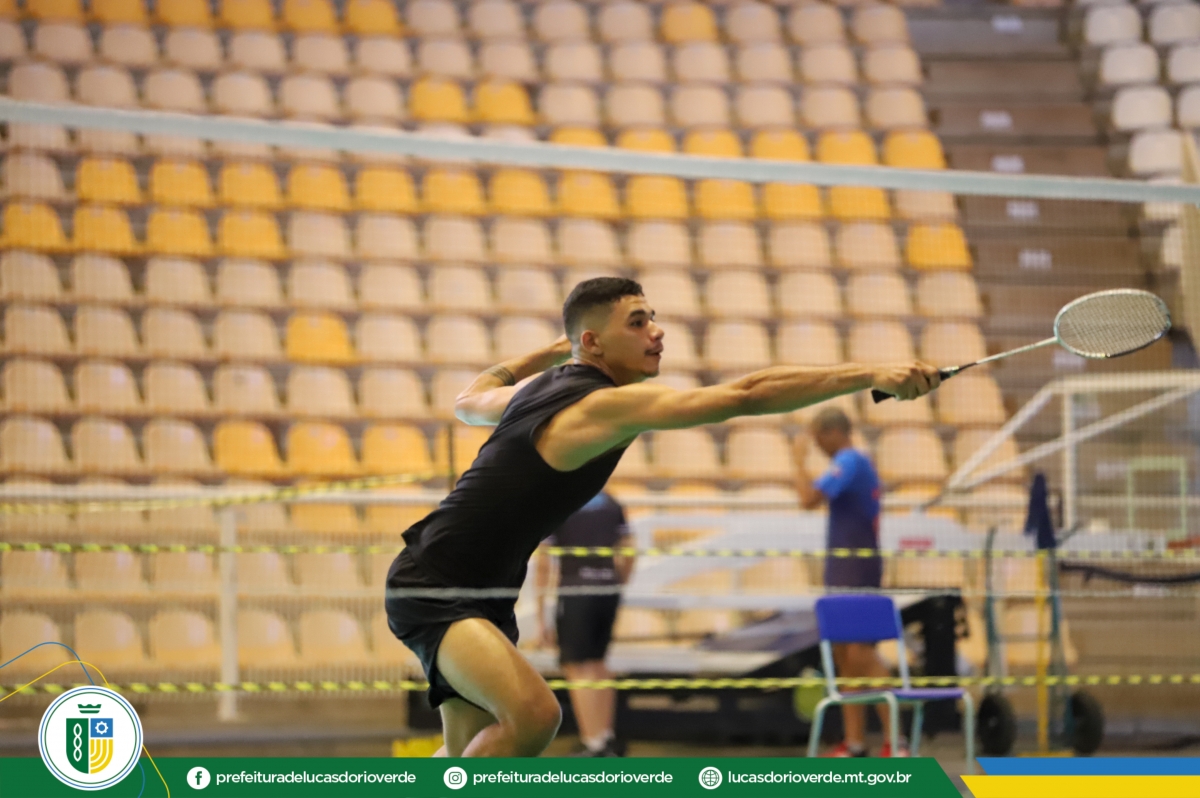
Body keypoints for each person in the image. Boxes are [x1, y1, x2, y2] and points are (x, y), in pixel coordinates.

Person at [384, 277, 940, 758]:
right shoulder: (601, 405)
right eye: (638, 322)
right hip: (435, 584)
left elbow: (470, 397)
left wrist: (555, 351)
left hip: (481, 593)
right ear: (593, 342)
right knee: (534, 716)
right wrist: (872, 373)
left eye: (652, 318)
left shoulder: (538, 390)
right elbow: (746, 394)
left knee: (466, 754)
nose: (657, 332)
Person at [793, 407, 906, 758]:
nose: (817, 446)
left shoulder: (850, 460)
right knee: (844, 656)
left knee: (861, 653)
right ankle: (855, 743)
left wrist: (797, 461)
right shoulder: (852, 462)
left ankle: (896, 742)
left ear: (832, 433)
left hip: (857, 568)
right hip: (842, 569)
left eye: (818, 439)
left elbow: (808, 499)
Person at [533, 491, 635, 758]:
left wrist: (541, 614)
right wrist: (617, 584)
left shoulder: (559, 502)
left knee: (577, 667)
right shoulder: (611, 502)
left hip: (575, 592)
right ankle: (605, 737)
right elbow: (629, 551)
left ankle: (593, 743)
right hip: (607, 589)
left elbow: (544, 563)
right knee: (598, 664)